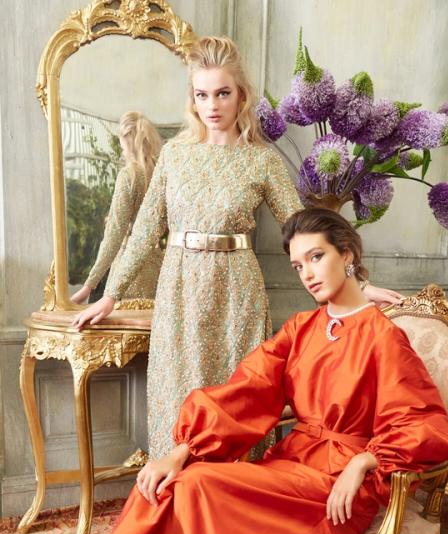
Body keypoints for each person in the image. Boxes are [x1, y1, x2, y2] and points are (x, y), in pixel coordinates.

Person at [48, 207, 448, 534]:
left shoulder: (383, 336)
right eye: (298, 264)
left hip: (337, 490)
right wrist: (182, 448)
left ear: (347, 255)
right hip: (292, 469)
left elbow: (426, 425)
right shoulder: (303, 327)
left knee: (191, 487)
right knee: (170, 483)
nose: (308, 272)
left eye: (317, 256)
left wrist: (366, 458)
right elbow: (246, 391)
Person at [71, 36, 401, 461]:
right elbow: (143, 230)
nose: (213, 105)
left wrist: (356, 284)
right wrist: (110, 295)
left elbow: (300, 229)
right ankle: (177, 505)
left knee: (237, 396)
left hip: (236, 292)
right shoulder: (174, 155)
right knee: (178, 396)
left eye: (223, 93)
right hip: (180, 291)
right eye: (202, 94)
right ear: (192, 98)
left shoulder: (261, 160)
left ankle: (234, 502)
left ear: (240, 95)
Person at [70, 111, 164, 304]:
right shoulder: (163, 175)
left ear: (128, 143)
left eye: (122, 147)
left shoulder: (129, 176)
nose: (122, 152)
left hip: (129, 273)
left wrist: (89, 285)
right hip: (160, 272)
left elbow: (114, 234)